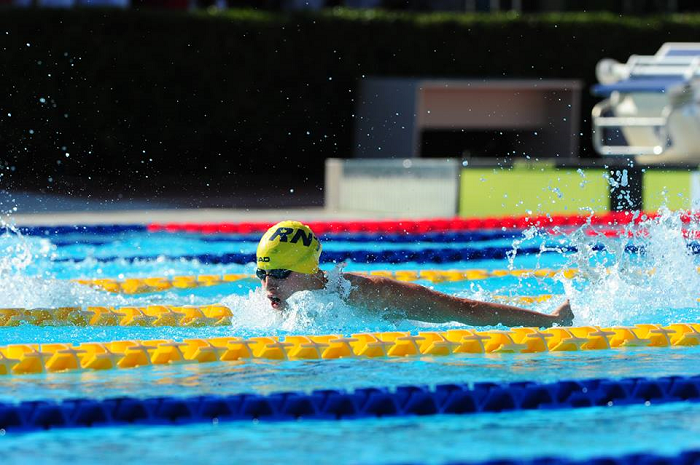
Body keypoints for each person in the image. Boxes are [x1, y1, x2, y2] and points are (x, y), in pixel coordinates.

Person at [256, 220, 574, 327]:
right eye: (262, 273)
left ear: (306, 267)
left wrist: (550, 322)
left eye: (280, 273)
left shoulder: (361, 293)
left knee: (461, 310)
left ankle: (552, 319)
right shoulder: (270, 302)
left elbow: (463, 312)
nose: (268, 285)